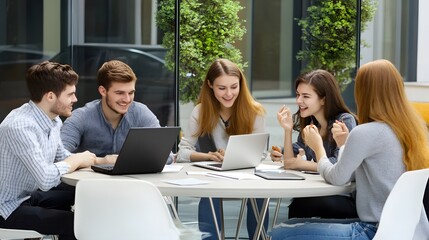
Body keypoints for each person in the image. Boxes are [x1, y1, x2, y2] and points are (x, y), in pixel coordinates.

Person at [269, 59, 429, 240]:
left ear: (365, 91)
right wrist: (344, 144)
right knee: (289, 225)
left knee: (279, 232)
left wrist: (319, 148)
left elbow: (338, 177)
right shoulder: (410, 129)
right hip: (409, 230)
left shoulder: (366, 132)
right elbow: (352, 173)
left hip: (373, 230)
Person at [0, 61, 99, 239]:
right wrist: (76, 160)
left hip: (26, 197)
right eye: (70, 94)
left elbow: (62, 157)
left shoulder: (53, 121)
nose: (75, 100)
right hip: (6, 207)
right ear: (51, 96)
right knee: (78, 222)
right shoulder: (20, 126)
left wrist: (100, 162)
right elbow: (46, 179)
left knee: (87, 195)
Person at [176, 58, 268, 239]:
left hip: (246, 174)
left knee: (259, 194)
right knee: (209, 194)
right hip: (213, 176)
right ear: (210, 85)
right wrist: (207, 156)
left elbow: (261, 153)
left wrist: (238, 158)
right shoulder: (200, 111)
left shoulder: (254, 111)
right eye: (222, 88)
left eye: (234, 87)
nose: (229, 94)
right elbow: (182, 153)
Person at [271, 69, 358, 219]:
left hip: (344, 197)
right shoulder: (312, 124)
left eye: (306, 96)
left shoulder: (344, 121)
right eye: (298, 95)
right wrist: (287, 130)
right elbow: (289, 162)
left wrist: (300, 164)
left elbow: (338, 165)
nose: (299, 101)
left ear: (323, 99)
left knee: (302, 204)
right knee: (300, 203)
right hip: (320, 193)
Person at [61, 60, 173, 163]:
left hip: (132, 183)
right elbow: (60, 156)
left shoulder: (141, 113)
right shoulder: (82, 117)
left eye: (131, 93)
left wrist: (125, 160)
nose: (127, 99)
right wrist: (101, 162)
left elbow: (167, 156)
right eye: (120, 93)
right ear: (103, 91)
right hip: (90, 183)